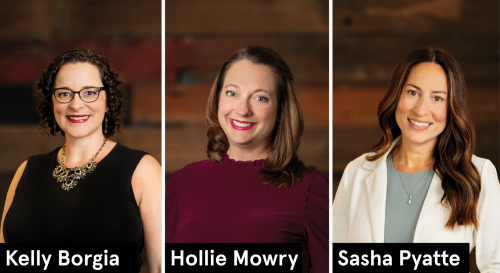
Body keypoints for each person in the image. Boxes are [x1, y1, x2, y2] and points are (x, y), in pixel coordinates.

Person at [331, 47, 500, 270]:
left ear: (452, 108)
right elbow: (334, 260)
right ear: (396, 95)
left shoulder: (478, 174)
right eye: (413, 92)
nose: (421, 110)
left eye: (437, 98)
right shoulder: (358, 171)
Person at [165, 46, 328, 272]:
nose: (242, 110)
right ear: (218, 99)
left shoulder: (311, 189)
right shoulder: (182, 182)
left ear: (280, 110)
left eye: (260, 98)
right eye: (232, 93)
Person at [0, 49, 161, 273]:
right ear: (52, 102)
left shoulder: (143, 171)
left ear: (107, 101)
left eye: (89, 93)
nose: (76, 104)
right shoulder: (26, 171)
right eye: (64, 94)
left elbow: (161, 266)